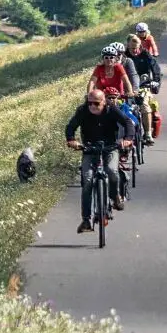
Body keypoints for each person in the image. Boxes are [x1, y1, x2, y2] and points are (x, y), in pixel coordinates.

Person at [65, 89, 135, 233]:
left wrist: (127, 139)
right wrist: (71, 140)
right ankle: (85, 220)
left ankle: (115, 196)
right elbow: (70, 127)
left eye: (96, 103)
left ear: (104, 102)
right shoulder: (83, 111)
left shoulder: (111, 109)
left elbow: (127, 122)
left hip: (110, 147)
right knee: (88, 180)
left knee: (111, 170)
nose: (92, 106)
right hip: (89, 148)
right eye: (89, 103)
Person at [125, 35, 162, 144]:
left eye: (137, 48)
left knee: (145, 107)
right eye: (132, 48)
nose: (135, 51)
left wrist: (156, 82)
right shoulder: (123, 56)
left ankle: (147, 134)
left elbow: (156, 70)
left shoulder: (146, 54)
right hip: (128, 88)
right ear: (127, 46)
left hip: (144, 86)